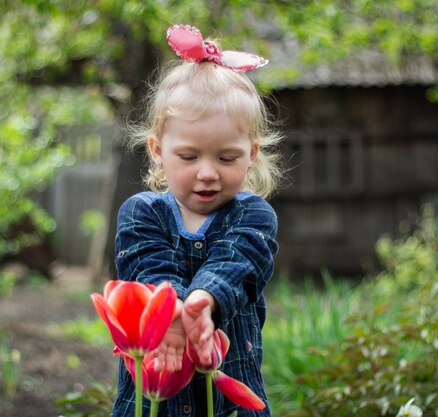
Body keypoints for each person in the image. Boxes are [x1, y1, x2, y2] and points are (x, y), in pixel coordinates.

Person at [113, 24, 283, 417]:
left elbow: (235, 262)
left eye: (226, 158)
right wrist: (171, 311)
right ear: (157, 150)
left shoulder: (254, 216)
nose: (208, 172)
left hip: (227, 401)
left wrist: (203, 302)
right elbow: (148, 265)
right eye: (189, 157)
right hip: (155, 394)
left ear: (252, 153)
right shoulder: (141, 214)